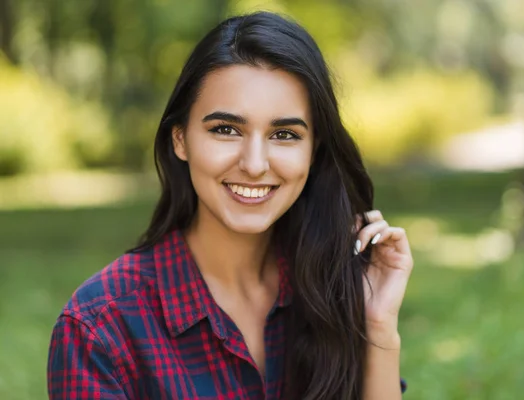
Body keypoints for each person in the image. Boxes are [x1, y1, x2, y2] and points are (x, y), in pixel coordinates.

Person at [47, 11, 413, 400]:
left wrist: (377, 327)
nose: (255, 164)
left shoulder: (331, 289)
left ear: (314, 150)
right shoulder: (100, 328)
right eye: (225, 130)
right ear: (180, 139)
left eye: (285, 134)